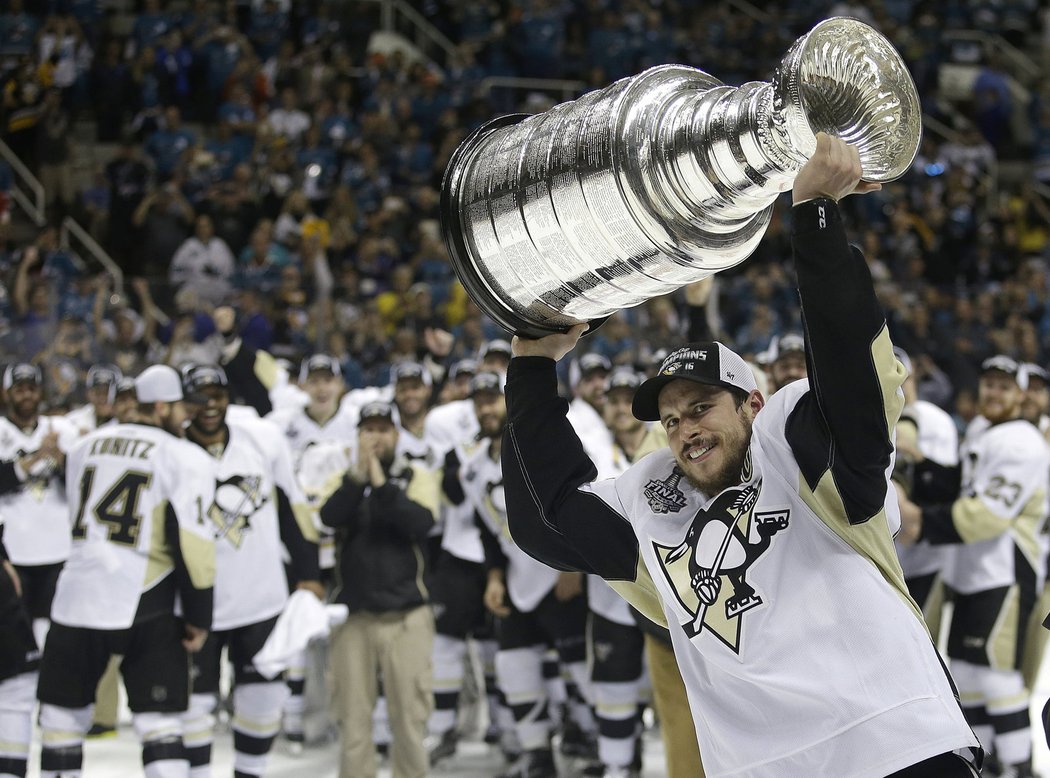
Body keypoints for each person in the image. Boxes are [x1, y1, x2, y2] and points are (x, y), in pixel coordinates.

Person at [501, 134, 981, 777]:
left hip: (896, 745)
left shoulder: (796, 453)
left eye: (702, 408)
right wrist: (531, 369)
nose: (686, 431)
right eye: (671, 420)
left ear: (750, 405)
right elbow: (547, 518)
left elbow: (853, 382)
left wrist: (813, 220)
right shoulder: (651, 500)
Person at [36, 364, 217, 778]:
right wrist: (199, 617)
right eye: (179, 408)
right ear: (159, 405)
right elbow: (194, 546)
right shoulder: (184, 456)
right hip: (146, 597)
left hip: (76, 597)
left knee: (61, 720)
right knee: (159, 723)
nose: (186, 416)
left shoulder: (84, 446)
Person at [898, 355, 1050, 777]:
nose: (994, 393)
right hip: (971, 571)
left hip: (1005, 573)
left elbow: (987, 515)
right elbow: (963, 482)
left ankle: (1020, 766)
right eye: (989, 384)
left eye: (1004, 386)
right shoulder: (985, 430)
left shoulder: (1022, 442)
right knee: (966, 673)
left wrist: (922, 523)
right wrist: (923, 469)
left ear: (1021, 395)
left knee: (998, 677)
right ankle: (991, 764)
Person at [179, 364, 322, 778]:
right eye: (200, 397)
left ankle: (251, 772)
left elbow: (292, 506)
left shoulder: (261, 440)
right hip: (195, 603)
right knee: (194, 703)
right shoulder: (172, 449)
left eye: (217, 395)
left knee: (263, 697)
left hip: (261, 596)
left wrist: (308, 574)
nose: (210, 405)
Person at [467, 371, 595, 778]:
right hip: (518, 581)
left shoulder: (542, 444)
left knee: (583, 671)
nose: (487, 408)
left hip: (561, 574)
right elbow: (487, 532)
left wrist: (575, 564)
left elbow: (588, 499)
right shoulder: (470, 469)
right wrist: (493, 578)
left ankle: (598, 749)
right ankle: (537, 755)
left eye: (493, 399)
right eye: (480, 401)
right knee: (514, 667)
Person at [320, 400, 440, 778]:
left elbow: (419, 522)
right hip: (353, 619)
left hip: (407, 617)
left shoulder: (417, 475)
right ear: (357, 436)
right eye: (368, 430)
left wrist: (380, 483)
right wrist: (359, 479)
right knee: (353, 725)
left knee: (409, 723)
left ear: (396, 434)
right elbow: (328, 517)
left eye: (382, 429)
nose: (376, 438)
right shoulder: (344, 479)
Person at [0, 363, 79, 649]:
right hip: (13, 551)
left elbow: (81, 483)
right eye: (19, 389)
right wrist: (35, 457)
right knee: (15, 628)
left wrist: (60, 459)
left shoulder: (61, 430)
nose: (26, 396)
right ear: (6, 393)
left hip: (57, 548)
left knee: (53, 627)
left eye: (32, 389)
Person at [891, 347, 959, 639]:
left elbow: (944, 488)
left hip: (921, 558)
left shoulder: (934, 421)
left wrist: (913, 456)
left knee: (922, 649)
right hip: (879, 559)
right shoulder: (864, 417)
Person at [66, 362, 122, 434]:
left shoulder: (126, 426)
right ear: (89, 394)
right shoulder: (73, 421)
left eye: (107, 393)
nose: (102, 399)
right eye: (98, 393)